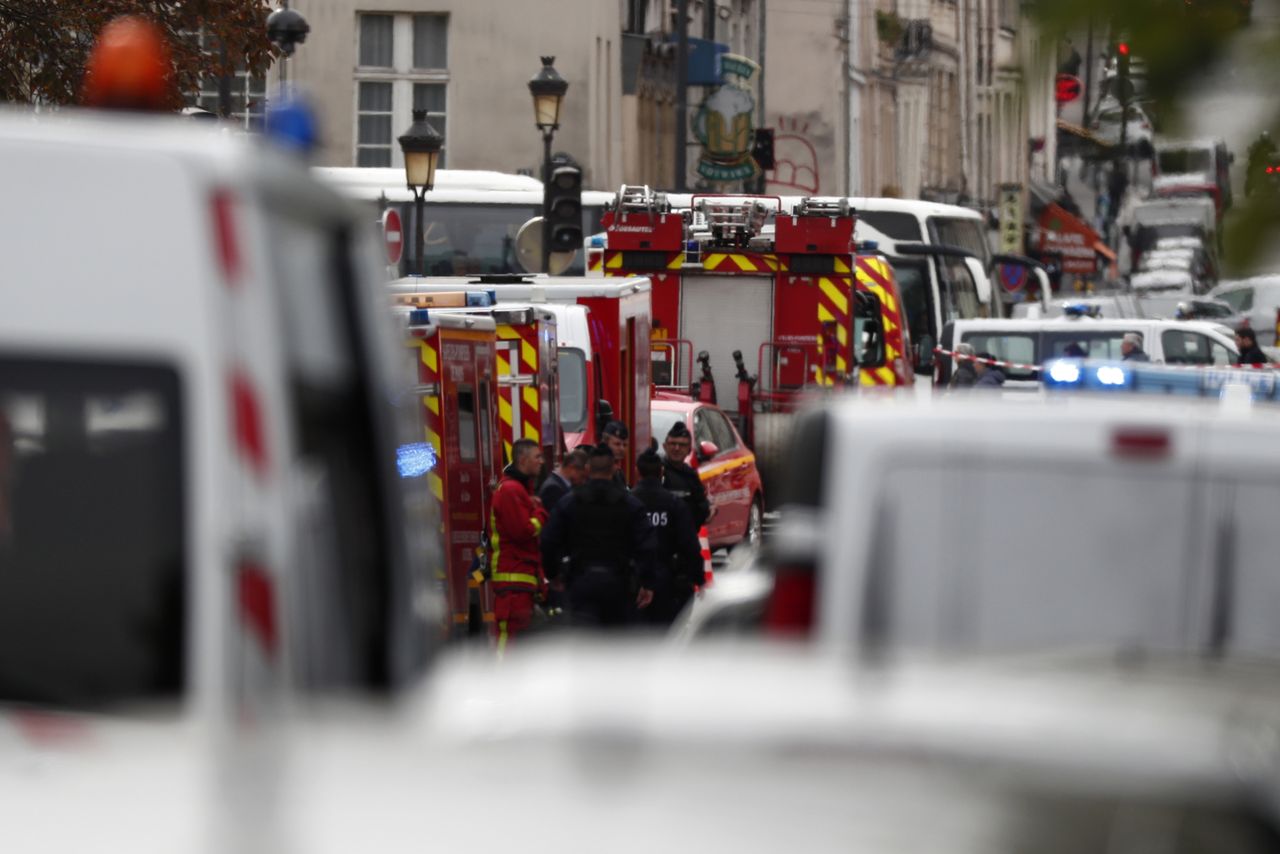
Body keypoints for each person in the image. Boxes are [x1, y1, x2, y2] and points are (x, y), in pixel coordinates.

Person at [541, 445, 656, 629]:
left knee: (585, 646)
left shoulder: (569, 502)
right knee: (614, 647)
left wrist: (553, 574)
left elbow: (548, 540)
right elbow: (647, 546)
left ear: (587, 469)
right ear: (613, 469)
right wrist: (647, 582)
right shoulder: (629, 504)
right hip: (619, 585)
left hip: (581, 583)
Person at [488, 438, 548, 654]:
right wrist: (540, 513)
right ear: (522, 460)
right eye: (537, 457)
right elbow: (523, 531)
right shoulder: (512, 490)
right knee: (509, 643)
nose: (542, 461)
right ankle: (500, 683)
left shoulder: (518, 490)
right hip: (513, 582)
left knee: (518, 646)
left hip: (519, 582)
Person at [631, 449, 703, 626]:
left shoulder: (628, 502)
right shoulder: (674, 503)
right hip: (668, 580)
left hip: (633, 580)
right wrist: (699, 578)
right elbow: (689, 545)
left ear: (636, 472)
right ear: (661, 472)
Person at [659, 421, 711, 531]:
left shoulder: (691, 475)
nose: (677, 448)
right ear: (664, 446)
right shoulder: (657, 471)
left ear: (689, 450)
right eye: (673, 444)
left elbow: (701, 506)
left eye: (682, 445)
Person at [602, 420, 629, 487]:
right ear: (605, 444)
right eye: (617, 444)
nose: (622, 449)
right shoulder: (600, 472)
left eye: (625, 445)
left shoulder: (619, 474)